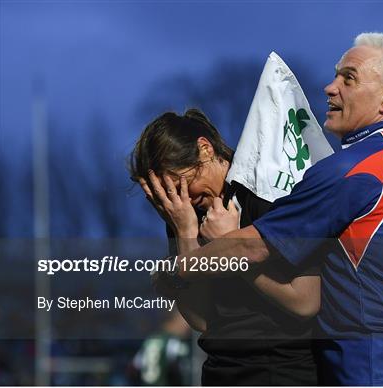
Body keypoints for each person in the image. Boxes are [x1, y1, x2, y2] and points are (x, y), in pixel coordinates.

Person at [155, 32, 383, 385]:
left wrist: (183, 266)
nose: (329, 88)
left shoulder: (352, 170)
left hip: (373, 371)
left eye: (348, 78)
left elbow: (252, 246)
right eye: (335, 75)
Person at [129, 109, 320, 385]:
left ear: (205, 149)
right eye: (165, 193)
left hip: (282, 370)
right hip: (221, 370)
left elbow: (305, 302)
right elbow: (203, 320)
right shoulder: (183, 213)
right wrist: (185, 236)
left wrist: (231, 249)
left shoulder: (266, 188)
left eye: (182, 184)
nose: (182, 198)